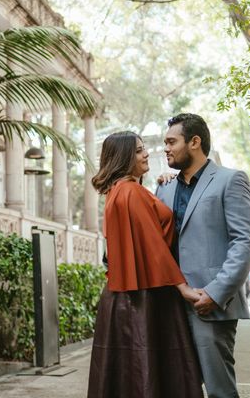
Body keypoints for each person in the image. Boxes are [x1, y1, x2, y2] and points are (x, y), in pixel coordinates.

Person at [87, 131, 203, 398]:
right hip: (146, 296)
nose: (146, 153)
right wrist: (182, 286)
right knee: (149, 371)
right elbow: (153, 244)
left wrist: (164, 186)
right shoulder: (131, 192)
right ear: (124, 156)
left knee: (128, 374)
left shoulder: (119, 191)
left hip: (124, 296)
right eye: (139, 150)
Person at [156, 113, 250, 398]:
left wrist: (215, 293)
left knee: (219, 390)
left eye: (171, 142)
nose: (166, 148)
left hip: (210, 304)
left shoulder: (231, 180)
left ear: (194, 142)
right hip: (170, 303)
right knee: (177, 387)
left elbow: (244, 242)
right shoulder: (164, 187)